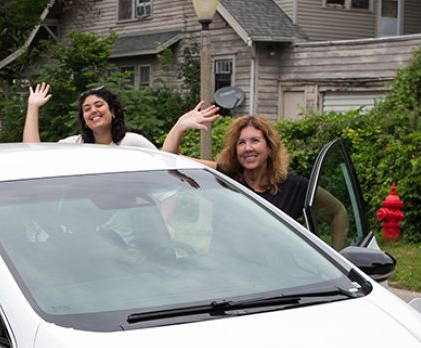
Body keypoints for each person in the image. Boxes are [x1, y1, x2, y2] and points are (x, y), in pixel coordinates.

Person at [213, 115, 349, 248]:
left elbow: (338, 212)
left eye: (255, 140)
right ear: (235, 151)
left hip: (275, 269)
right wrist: (190, 123)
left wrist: (340, 257)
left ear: (269, 148)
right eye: (241, 142)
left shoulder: (293, 186)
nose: (248, 148)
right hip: (228, 267)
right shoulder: (226, 179)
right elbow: (191, 163)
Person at [22, 82, 219, 151]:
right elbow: (33, 154)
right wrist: (32, 107)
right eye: (87, 109)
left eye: (99, 105)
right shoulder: (75, 146)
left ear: (113, 111)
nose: (93, 111)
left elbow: (165, 162)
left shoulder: (132, 143)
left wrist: (179, 126)